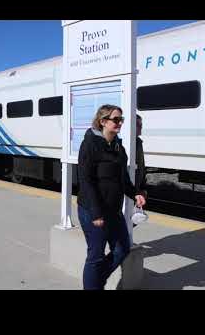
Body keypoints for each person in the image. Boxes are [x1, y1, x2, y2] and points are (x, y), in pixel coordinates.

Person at [77, 104, 146, 290]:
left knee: (122, 248)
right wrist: (96, 213)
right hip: (93, 210)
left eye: (121, 119)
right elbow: (86, 180)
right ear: (103, 121)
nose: (120, 123)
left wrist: (135, 193)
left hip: (113, 211)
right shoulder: (90, 145)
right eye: (116, 119)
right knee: (96, 255)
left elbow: (123, 179)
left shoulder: (118, 147)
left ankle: (96, 280)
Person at [135, 114, 148, 200]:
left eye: (141, 125)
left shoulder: (138, 143)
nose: (141, 128)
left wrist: (143, 188)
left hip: (136, 189)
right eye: (138, 125)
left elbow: (141, 167)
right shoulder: (124, 143)